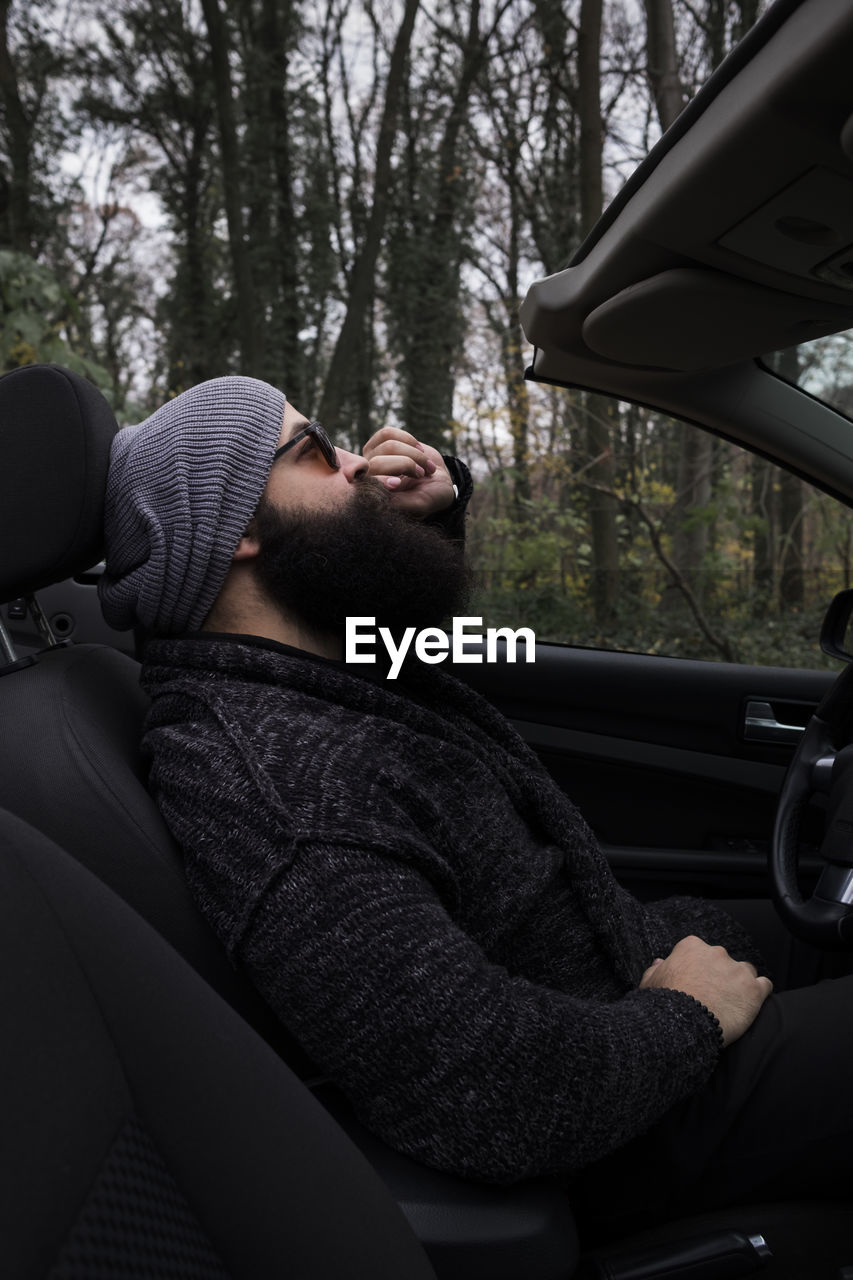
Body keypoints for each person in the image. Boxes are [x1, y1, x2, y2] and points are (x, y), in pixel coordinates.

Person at [99, 376, 851, 1236]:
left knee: (827, 926)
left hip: (619, 994)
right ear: (231, 530)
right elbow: (487, 1089)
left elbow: (413, 643)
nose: (357, 466)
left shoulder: (307, 667)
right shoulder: (271, 782)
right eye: (315, 452)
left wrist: (430, 514)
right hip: (629, 1114)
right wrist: (686, 1014)